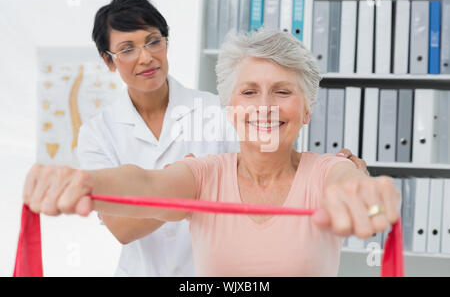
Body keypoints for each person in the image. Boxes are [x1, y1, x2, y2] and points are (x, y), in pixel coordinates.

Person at [24, 28, 399, 276]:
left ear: (308, 109)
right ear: (229, 107)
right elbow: (146, 183)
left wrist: (373, 198)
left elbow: (358, 192)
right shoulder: (204, 174)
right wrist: (82, 180)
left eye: (283, 92)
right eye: (249, 91)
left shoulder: (329, 171)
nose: (265, 106)